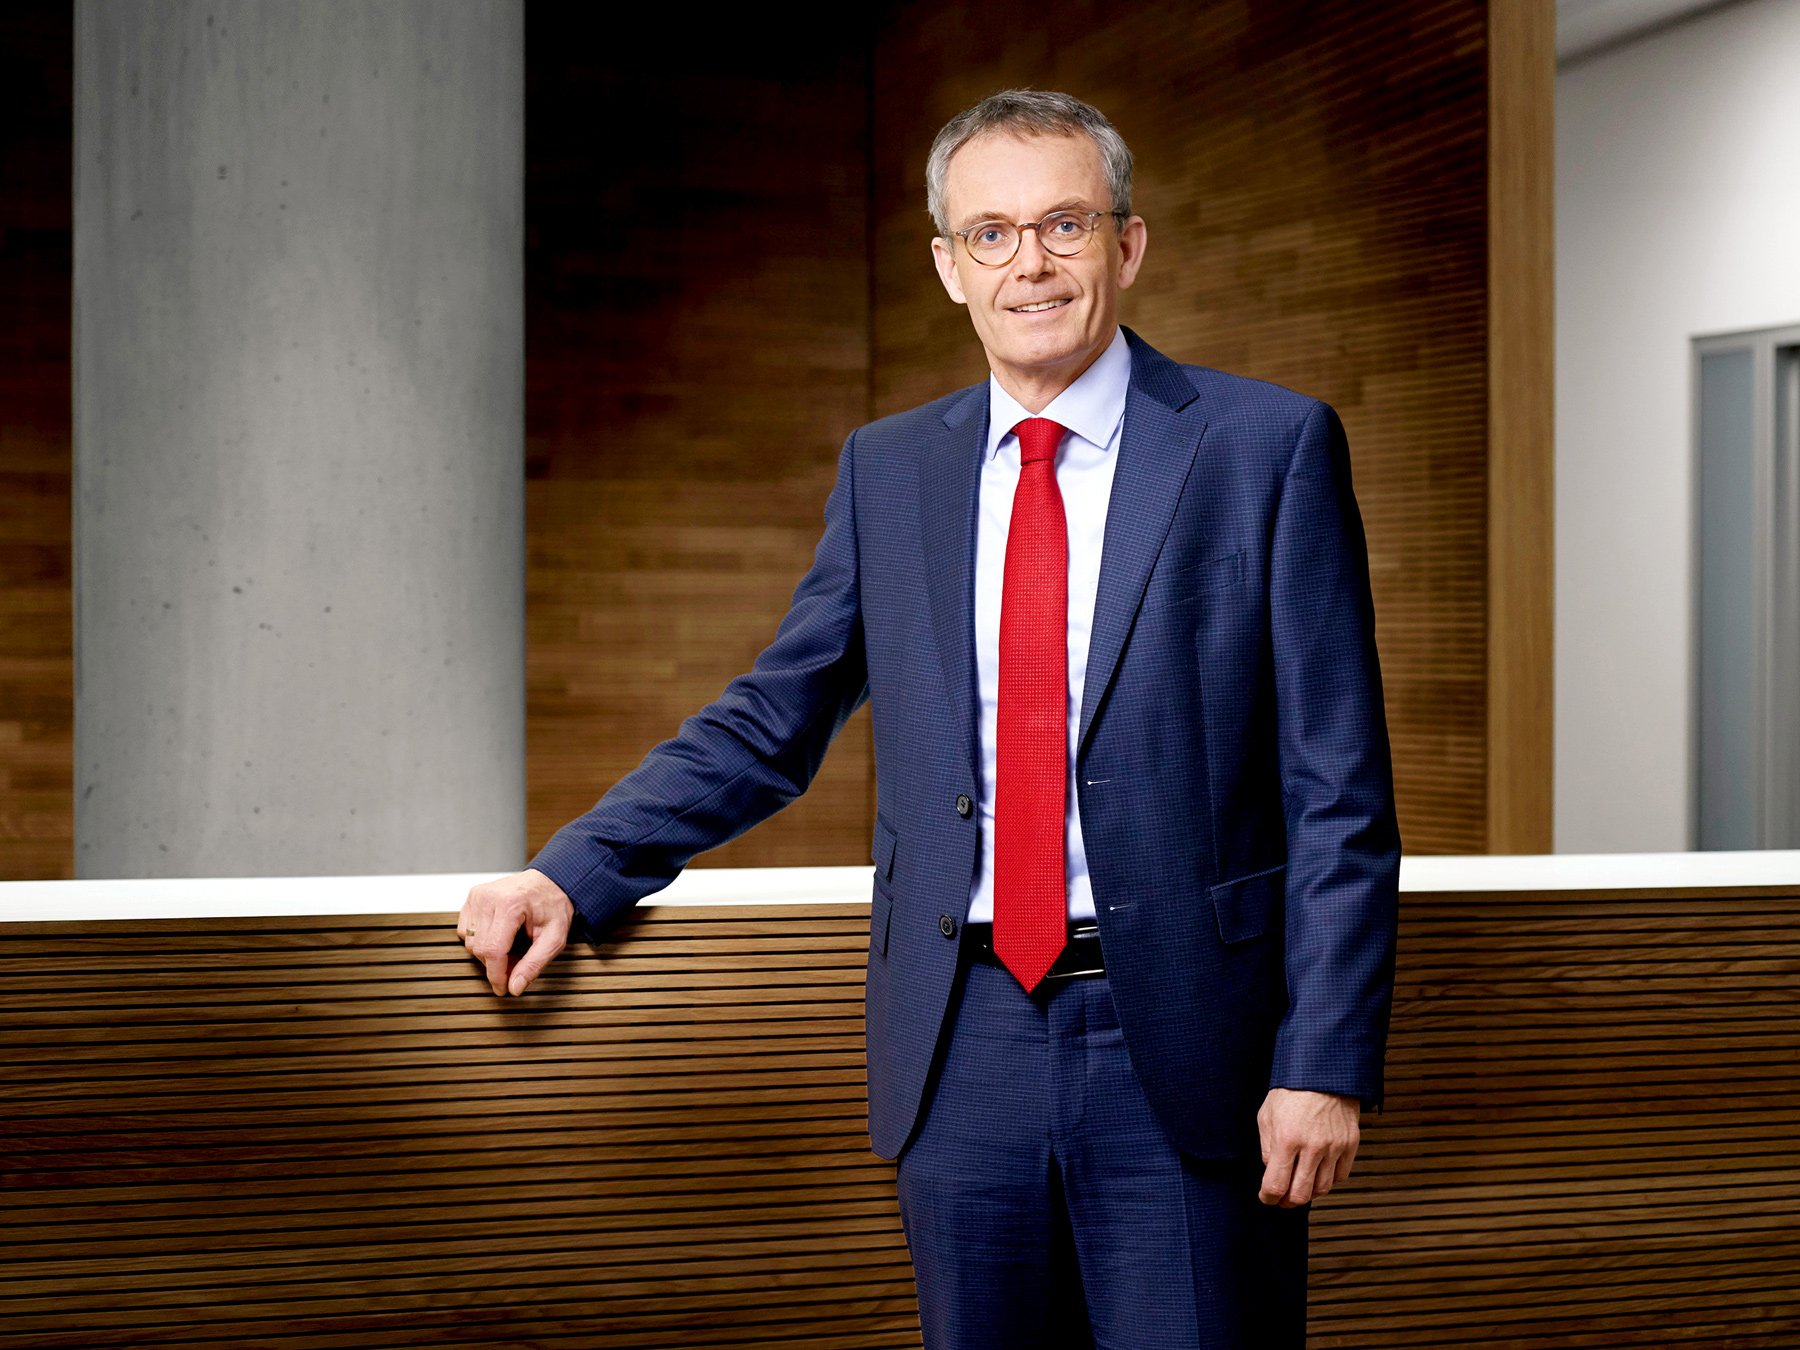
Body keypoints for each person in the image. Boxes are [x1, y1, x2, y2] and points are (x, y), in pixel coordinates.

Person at [459, 88, 1399, 1349]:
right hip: (962, 1043)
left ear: (1127, 245)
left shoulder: (1265, 447)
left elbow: (1339, 791)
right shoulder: (890, 468)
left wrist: (1323, 1060)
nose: (1031, 264)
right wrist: (577, 867)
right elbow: (775, 717)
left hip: (1191, 1045)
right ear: (950, 267)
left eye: (1065, 225)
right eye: (992, 234)